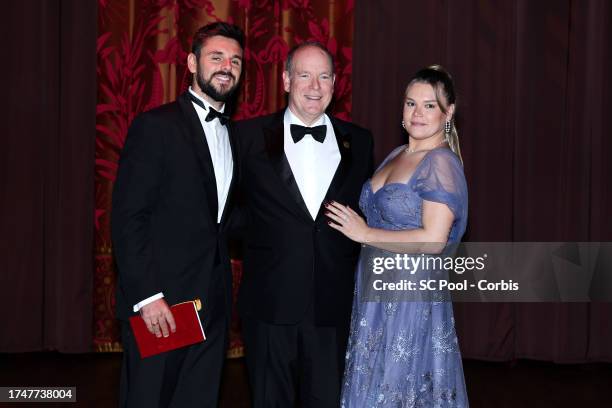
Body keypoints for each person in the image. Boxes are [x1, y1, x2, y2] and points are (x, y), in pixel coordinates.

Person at [111, 22, 244, 408]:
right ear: (191, 62)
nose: (226, 66)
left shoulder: (235, 135)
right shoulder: (156, 126)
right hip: (162, 305)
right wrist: (148, 297)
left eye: (235, 60)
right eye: (216, 57)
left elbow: (224, 219)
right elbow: (128, 217)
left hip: (212, 305)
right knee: (149, 400)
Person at [234, 42, 374, 407]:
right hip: (268, 304)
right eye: (304, 75)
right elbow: (227, 213)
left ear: (335, 84)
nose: (315, 87)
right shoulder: (246, 137)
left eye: (324, 76)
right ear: (285, 80)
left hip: (333, 305)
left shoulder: (360, 141)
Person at [326, 65, 469, 407]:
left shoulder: (440, 163)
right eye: (410, 103)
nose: (417, 112)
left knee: (396, 389)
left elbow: (435, 240)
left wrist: (363, 232)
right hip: (375, 290)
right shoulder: (397, 155)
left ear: (448, 113)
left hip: (408, 294)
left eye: (429, 105)